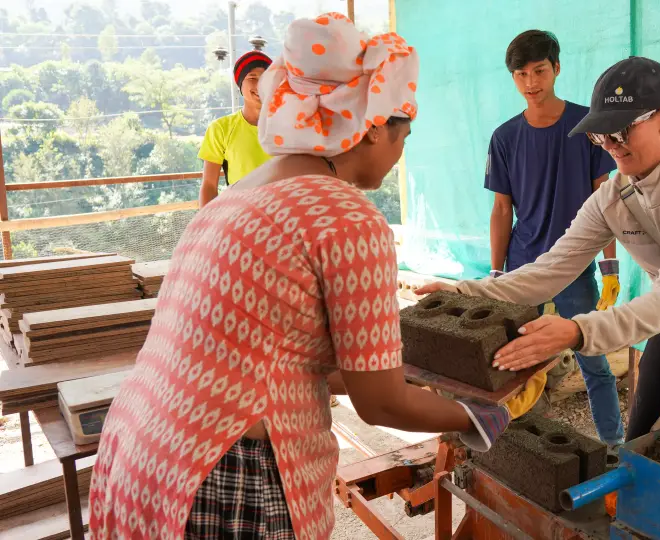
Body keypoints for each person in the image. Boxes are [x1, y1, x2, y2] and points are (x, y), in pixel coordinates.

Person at [88, 15, 540, 539]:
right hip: (230, 473)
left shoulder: (237, 197)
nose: (400, 155)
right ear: (372, 127)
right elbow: (381, 405)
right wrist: (477, 418)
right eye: (403, 136)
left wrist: (409, 375)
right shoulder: (347, 217)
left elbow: (279, 359)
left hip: (144, 448)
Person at [418, 56, 660, 443]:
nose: (612, 145)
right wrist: (464, 292)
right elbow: (550, 270)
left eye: (623, 131)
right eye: (601, 135)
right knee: (643, 442)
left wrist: (577, 331)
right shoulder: (612, 198)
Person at [487, 30, 623, 448]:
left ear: (557, 68)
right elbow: (502, 209)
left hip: (574, 270)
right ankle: (507, 448)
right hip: (523, 269)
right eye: (521, 73)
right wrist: (495, 273)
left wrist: (610, 266)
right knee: (510, 365)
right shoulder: (505, 137)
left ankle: (614, 447)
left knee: (594, 361)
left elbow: (606, 198)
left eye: (539, 70)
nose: (531, 82)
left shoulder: (587, 128)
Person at [197, 50, 274, 207]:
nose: (260, 85)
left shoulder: (290, 127)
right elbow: (209, 185)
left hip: (284, 217)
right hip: (240, 218)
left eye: (266, 78)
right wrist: (206, 226)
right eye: (252, 77)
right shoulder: (221, 129)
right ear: (240, 84)